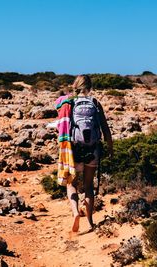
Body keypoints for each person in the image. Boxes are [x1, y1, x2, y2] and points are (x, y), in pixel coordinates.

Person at [66, 75, 113, 232]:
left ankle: (75, 213)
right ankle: (90, 222)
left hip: (75, 149)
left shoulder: (70, 103)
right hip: (93, 148)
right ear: (90, 86)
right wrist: (110, 148)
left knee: (71, 183)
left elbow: (63, 128)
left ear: (75, 86)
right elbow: (105, 129)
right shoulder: (95, 103)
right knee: (88, 186)